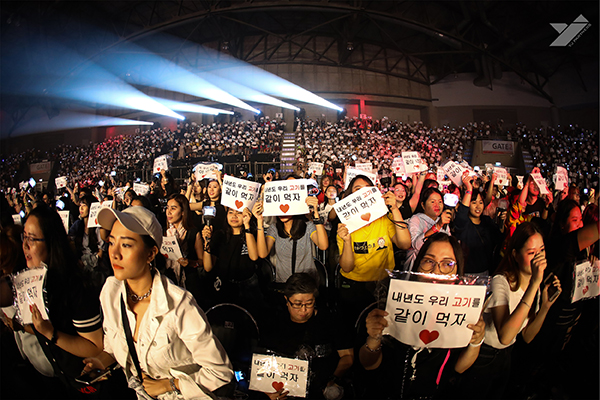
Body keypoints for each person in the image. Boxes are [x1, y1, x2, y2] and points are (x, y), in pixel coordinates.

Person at [83, 206, 234, 399]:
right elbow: (114, 345)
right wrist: (100, 361)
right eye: (112, 243)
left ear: (151, 253)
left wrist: (169, 384)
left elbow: (220, 373)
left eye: (126, 245)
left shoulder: (178, 305)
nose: (115, 253)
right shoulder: (111, 292)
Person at [358, 233, 485, 399]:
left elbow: (459, 368)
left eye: (447, 264)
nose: (436, 271)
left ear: (457, 272)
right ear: (418, 265)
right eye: (429, 261)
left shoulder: (462, 312)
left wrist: (476, 342)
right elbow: (368, 364)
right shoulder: (391, 304)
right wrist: (374, 337)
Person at [0, 205, 104, 393]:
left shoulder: (74, 285)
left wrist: (51, 334)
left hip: (89, 383)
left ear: (51, 242)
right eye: (24, 237)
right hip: (62, 379)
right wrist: (23, 326)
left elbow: (95, 346)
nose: (25, 245)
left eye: (32, 239)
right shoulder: (31, 279)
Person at [458, 222, 562, 398]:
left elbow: (527, 336)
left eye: (542, 250)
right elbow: (505, 335)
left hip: (506, 356)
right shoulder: (501, 281)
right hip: (484, 354)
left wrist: (545, 306)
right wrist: (534, 284)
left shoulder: (535, 286)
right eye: (531, 253)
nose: (539, 259)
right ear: (515, 255)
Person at [260, 273, 354, 400]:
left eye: (309, 303)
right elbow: (262, 363)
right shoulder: (274, 324)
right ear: (287, 300)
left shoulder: (331, 321)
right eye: (297, 304)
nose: (303, 310)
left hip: (322, 392)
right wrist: (269, 389)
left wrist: (334, 380)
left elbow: (347, 356)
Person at [201, 207, 264, 311]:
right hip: (224, 285)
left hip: (247, 287)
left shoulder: (252, 233)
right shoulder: (219, 235)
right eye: (231, 212)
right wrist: (207, 242)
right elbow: (208, 267)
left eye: (239, 213)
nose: (234, 216)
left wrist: (247, 225)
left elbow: (254, 257)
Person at [254, 195, 329, 284]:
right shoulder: (274, 228)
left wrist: (316, 214)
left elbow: (323, 246)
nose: (283, 212)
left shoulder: (307, 226)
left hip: (306, 283)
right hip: (283, 283)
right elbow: (262, 254)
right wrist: (259, 221)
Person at [454, 172, 504, 276]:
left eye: (480, 202)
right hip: (467, 274)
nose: (478, 206)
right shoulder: (464, 224)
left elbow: (500, 239)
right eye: (474, 203)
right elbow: (462, 213)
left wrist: (502, 222)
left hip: (486, 273)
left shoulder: (487, 222)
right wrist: (469, 189)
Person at [404, 187, 452, 270]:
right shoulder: (416, 219)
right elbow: (416, 245)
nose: (437, 205)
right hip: (419, 264)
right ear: (423, 205)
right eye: (432, 202)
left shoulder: (443, 221)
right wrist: (437, 226)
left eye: (440, 202)